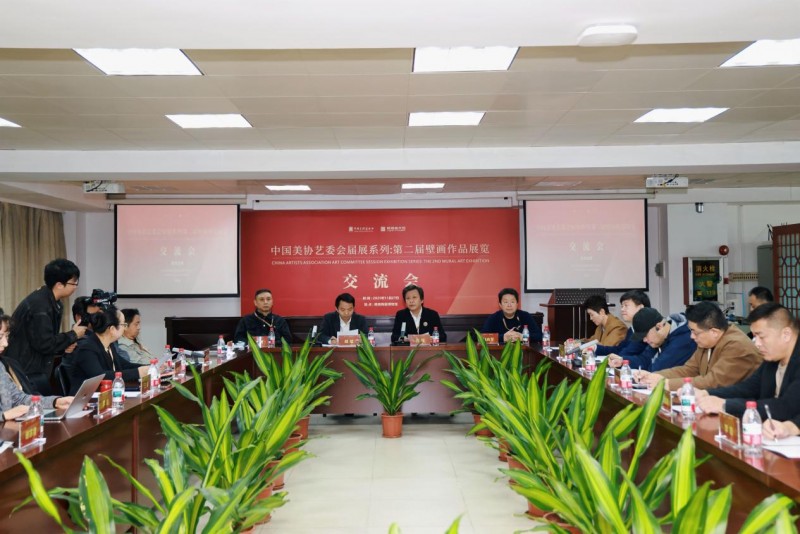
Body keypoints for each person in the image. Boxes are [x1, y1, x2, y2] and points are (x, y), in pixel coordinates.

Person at [697, 304, 799, 421]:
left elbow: (786, 407)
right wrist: (707, 393)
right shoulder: (773, 358)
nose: (757, 344)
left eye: (761, 337)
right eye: (755, 337)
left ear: (786, 334)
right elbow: (748, 388)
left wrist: (726, 405)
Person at [4, 259, 87, 395]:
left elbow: (45, 339)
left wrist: (64, 345)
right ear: (59, 285)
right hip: (26, 371)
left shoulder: (52, 302)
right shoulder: (40, 305)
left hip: (36, 368)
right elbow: (45, 343)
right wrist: (73, 334)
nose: (75, 287)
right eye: (74, 283)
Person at [636, 301, 762, 390]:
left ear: (714, 332)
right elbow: (689, 370)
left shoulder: (737, 346)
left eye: (695, 332)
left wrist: (666, 383)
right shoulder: (706, 342)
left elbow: (713, 382)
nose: (691, 336)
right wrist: (655, 376)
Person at [1, 311, 74, 423]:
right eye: (0, 337)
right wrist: (4, 415)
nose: (6, 343)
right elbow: (7, 412)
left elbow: (19, 399)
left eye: (6, 336)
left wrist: (55, 402)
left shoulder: (1, 366)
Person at [63, 306, 152, 395]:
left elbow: (124, 365)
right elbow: (101, 376)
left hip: (105, 395)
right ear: (112, 329)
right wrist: (137, 372)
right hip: (86, 398)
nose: (125, 328)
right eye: (123, 325)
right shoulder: (87, 348)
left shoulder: (110, 345)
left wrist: (150, 368)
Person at [623, 307, 696, 372]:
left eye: (645, 335)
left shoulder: (682, 341)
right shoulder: (659, 339)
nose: (644, 340)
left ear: (659, 326)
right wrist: (622, 361)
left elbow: (656, 370)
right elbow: (644, 360)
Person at [601, 290, 651, 365]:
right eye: (622, 306)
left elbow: (629, 352)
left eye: (626, 305)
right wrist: (596, 348)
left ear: (640, 308)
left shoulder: (646, 328)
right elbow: (619, 349)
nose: (622, 309)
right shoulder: (632, 328)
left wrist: (618, 359)